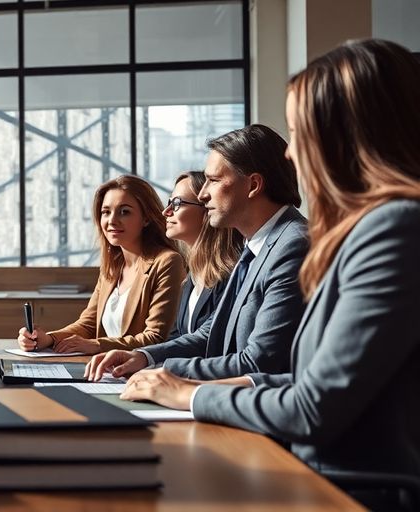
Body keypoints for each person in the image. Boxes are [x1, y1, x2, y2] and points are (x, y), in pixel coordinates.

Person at [118, 39, 420, 502]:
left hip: (344, 490)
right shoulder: (367, 229)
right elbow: (303, 379)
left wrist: (187, 394)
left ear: (344, 136)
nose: (290, 154)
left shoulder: (393, 229)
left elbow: (313, 407)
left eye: (300, 132)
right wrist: (168, 376)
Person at [86, 124, 307, 381]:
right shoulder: (254, 247)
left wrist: (161, 372)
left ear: (253, 185)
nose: (202, 194)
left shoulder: (291, 246)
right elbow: (211, 333)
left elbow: (258, 361)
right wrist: (144, 356)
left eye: (213, 180)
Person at [18, 175, 185, 354]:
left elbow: (155, 337)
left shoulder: (167, 262)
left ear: (146, 218)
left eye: (124, 212)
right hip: (103, 370)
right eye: (106, 212)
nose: (112, 221)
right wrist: (47, 338)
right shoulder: (112, 267)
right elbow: (88, 324)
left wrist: (97, 345)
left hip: (140, 372)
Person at [162, 171, 243, 339]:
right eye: (169, 202)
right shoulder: (192, 276)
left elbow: (210, 342)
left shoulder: (230, 274)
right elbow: (177, 336)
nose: (166, 211)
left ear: (207, 210)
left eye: (177, 203)